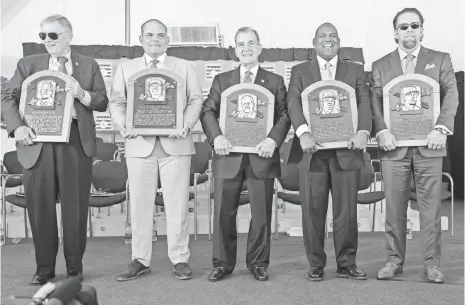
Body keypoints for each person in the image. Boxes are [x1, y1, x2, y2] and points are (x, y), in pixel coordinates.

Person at [1, 14, 108, 285]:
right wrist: (17, 128)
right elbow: (7, 97)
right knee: (40, 207)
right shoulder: (28, 64)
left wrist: (81, 94)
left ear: (68, 36)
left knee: (75, 208)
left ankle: (75, 267)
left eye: (52, 35)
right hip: (36, 141)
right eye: (43, 36)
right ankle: (44, 268)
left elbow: (102, 101)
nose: (47, 41)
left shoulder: (88, 64)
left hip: (75, 140)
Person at [109, 19, 203, 281]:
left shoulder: (184, 67)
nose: (155, 39)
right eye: (149, 35)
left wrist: (184, 125)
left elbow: (196, 99)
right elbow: (116, 100)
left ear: (168, 41)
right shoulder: (126, 68)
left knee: (178, 205)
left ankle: (180, 258)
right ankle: (140, 259)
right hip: (139, 145)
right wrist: (122, 124)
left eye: (160, 35)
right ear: (141, 39)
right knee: (139, 205)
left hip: (177, 144)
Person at [370, 8, 459, 283]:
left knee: (431, 209)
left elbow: (452, 93)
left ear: (422, 30)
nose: (409, 31)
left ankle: (432, 264)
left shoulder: (440, 60)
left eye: (414, 26)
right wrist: (381, 130)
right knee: (394, 208)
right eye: (403, 27)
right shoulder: (380, 65)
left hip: (430, 146)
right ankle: (393, 261)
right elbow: (374, 102)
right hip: (393, 147)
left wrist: (442, 127)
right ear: (395, 32)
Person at [201, 27, 291, 282]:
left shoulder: (274, 81)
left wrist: (273, 140)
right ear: (235, 50)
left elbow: (285, 114)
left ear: (260, 48)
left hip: (261, 157)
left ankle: (258, 263)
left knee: (261, 214)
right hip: (227, 156)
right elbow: (208, 111)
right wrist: (216, 136)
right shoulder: (222, 80)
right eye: (241, 44)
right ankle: (222, 264)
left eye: (251, 43)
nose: (246, 48)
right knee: (223, 213)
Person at [286, 22, 372, 281]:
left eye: (333, 36)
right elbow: (292, 102)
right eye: (322, 36)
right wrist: (303, 132)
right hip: (312, 151)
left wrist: (363, 131)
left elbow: (364, 101)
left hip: (346, 150)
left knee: (346, 211)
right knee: (313, 210)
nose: (328, 40)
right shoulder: (300, 71)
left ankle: (346, 263)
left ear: (339, 41)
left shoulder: (355, 70)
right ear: (314, 43)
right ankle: (315, 264)